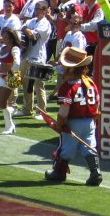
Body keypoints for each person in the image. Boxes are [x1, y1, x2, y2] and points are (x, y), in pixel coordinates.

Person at [43, 47, 102, 186]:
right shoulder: (90, 83)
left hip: (73, 122)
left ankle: (59, 172)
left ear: (72, 69)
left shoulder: (68, 87)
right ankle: (96, 172)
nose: (63, 70)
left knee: (66, 149)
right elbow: (98, 104)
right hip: (90, 121)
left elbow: (64, 111)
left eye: (65, 67)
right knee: (90, 146)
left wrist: (60, 123)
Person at [0, 26, 22, 134]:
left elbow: (17, 63)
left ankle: (9, 125)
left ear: (10, 38)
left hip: (10, 78)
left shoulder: (15, 49)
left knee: (1, 102)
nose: (2, 39)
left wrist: (10, 73)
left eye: (5, 37)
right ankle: (9, 125)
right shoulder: (2, 48)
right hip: (1, 76)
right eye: (2, 36)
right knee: (2, 103)